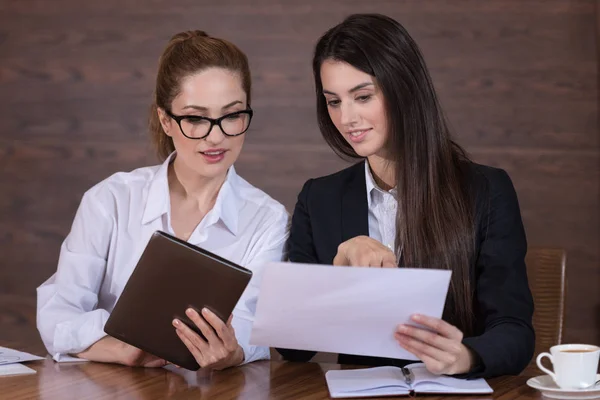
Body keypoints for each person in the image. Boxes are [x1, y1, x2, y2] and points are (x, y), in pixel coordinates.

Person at [277, 13, 534, 378]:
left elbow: (515, 331)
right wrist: (337, 274)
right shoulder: (318, 198)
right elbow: (293, 348)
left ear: (404, 89)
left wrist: (465, 356)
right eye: (333, 101)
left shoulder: (486, 191)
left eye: (363, 96)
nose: (347, 117)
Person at [37, 30, 289, 370]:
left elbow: (253, 326)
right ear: (166, 120)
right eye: (196, 118)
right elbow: (59, 313)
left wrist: (233, 351)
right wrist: (119, 348)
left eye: (232, 115)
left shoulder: (268, 219)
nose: (216, 136)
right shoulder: (110, 200)